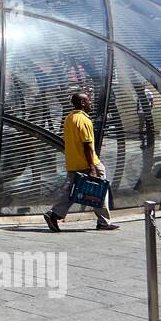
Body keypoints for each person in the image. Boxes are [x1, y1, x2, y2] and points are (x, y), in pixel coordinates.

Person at [43, 92, 118, 231]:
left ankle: (54, 214)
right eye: (89, 100)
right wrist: (92, 167)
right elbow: (87, 145)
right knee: (100, 191)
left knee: (73, 192)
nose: (91, 102)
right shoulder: (84, 120)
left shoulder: (69, 118)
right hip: (88, 163)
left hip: (73, 163)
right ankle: (103, 222)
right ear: (82, 103)